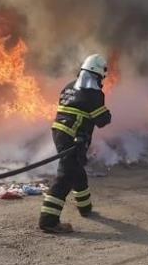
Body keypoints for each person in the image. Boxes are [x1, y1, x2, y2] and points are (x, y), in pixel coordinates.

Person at [39, 54, 112, 233]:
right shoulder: (94, 94)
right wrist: (106, 114)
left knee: (76, 169)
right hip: (72, 138)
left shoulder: (68, 87)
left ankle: (85, 207)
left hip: (59, 133)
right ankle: (48, 221)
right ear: (97, 74)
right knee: (65, 176)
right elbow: (103, 121)